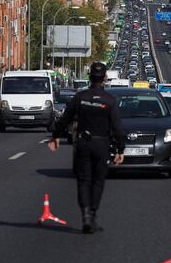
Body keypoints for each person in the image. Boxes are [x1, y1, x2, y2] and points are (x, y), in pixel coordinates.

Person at [48, 62, 125, 234]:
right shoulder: (110, 101)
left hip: (83, 142)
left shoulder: (80, 97)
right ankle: (93, 213)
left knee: (83, 179)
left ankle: (85, 216)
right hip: (101, 144)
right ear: (104, 78)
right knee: (98, 180)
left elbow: (66, 118)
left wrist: (55, 136)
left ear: (89, 77)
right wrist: (120, 149)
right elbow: (118, 127)